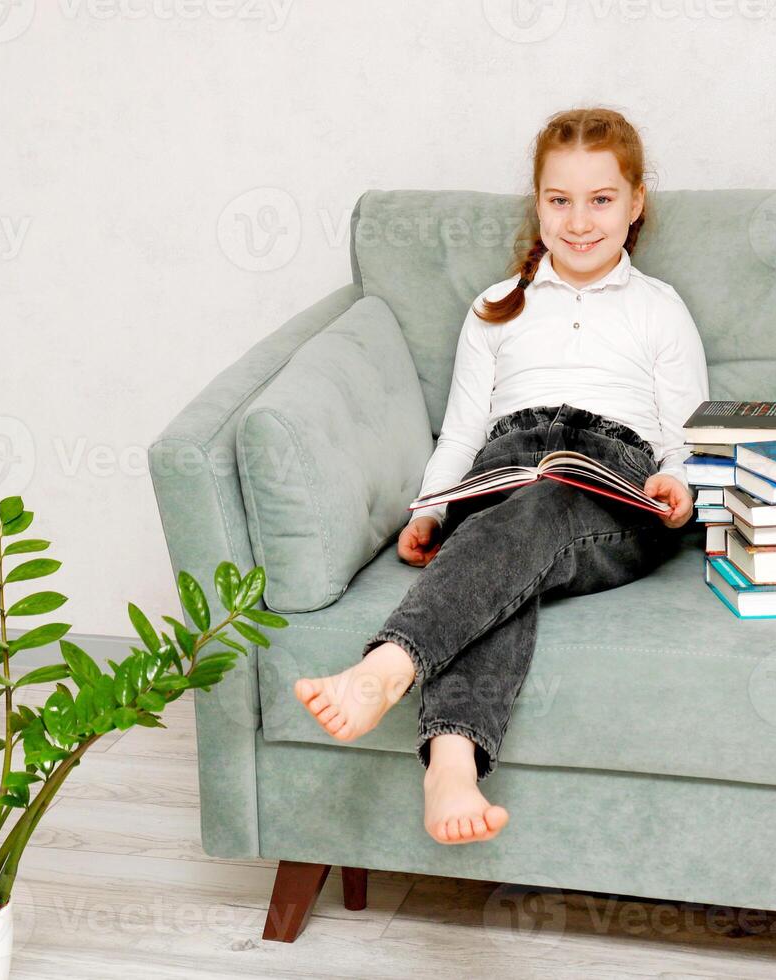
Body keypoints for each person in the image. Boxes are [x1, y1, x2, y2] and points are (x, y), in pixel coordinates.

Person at [294, 108, 710, 846]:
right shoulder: (494, 306)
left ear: (636, 202)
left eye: (601, 200)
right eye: (560, 200)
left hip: (613, 488)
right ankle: (451, 761)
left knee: (538, 511)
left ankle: (388, 668)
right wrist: (427, 510)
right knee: (501, 543)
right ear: (538, 203)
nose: (579, 222)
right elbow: (460, 433)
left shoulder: (659, 309)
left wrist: (679, 487)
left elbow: (684, 441)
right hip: (505, 469)